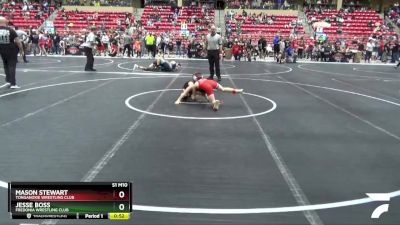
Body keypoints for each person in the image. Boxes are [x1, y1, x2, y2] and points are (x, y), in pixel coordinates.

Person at [175, 73, 243, 111]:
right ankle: (237, 90)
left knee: (212, 101)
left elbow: (186, 90)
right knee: (223, 89)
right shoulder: (202, 80)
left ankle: (215, 102)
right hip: (211, 82)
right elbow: (203, 93)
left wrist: (178, 100)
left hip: (205, 86)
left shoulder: (194, 84)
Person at [0, 17, 24, 89]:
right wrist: (21, 50)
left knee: (5, 65)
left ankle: (8, 80)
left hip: (2, 50)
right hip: (11, 49)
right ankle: (13, 83)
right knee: (12, 66)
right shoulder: (11, 30)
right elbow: (18, 41)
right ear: (5, 22)